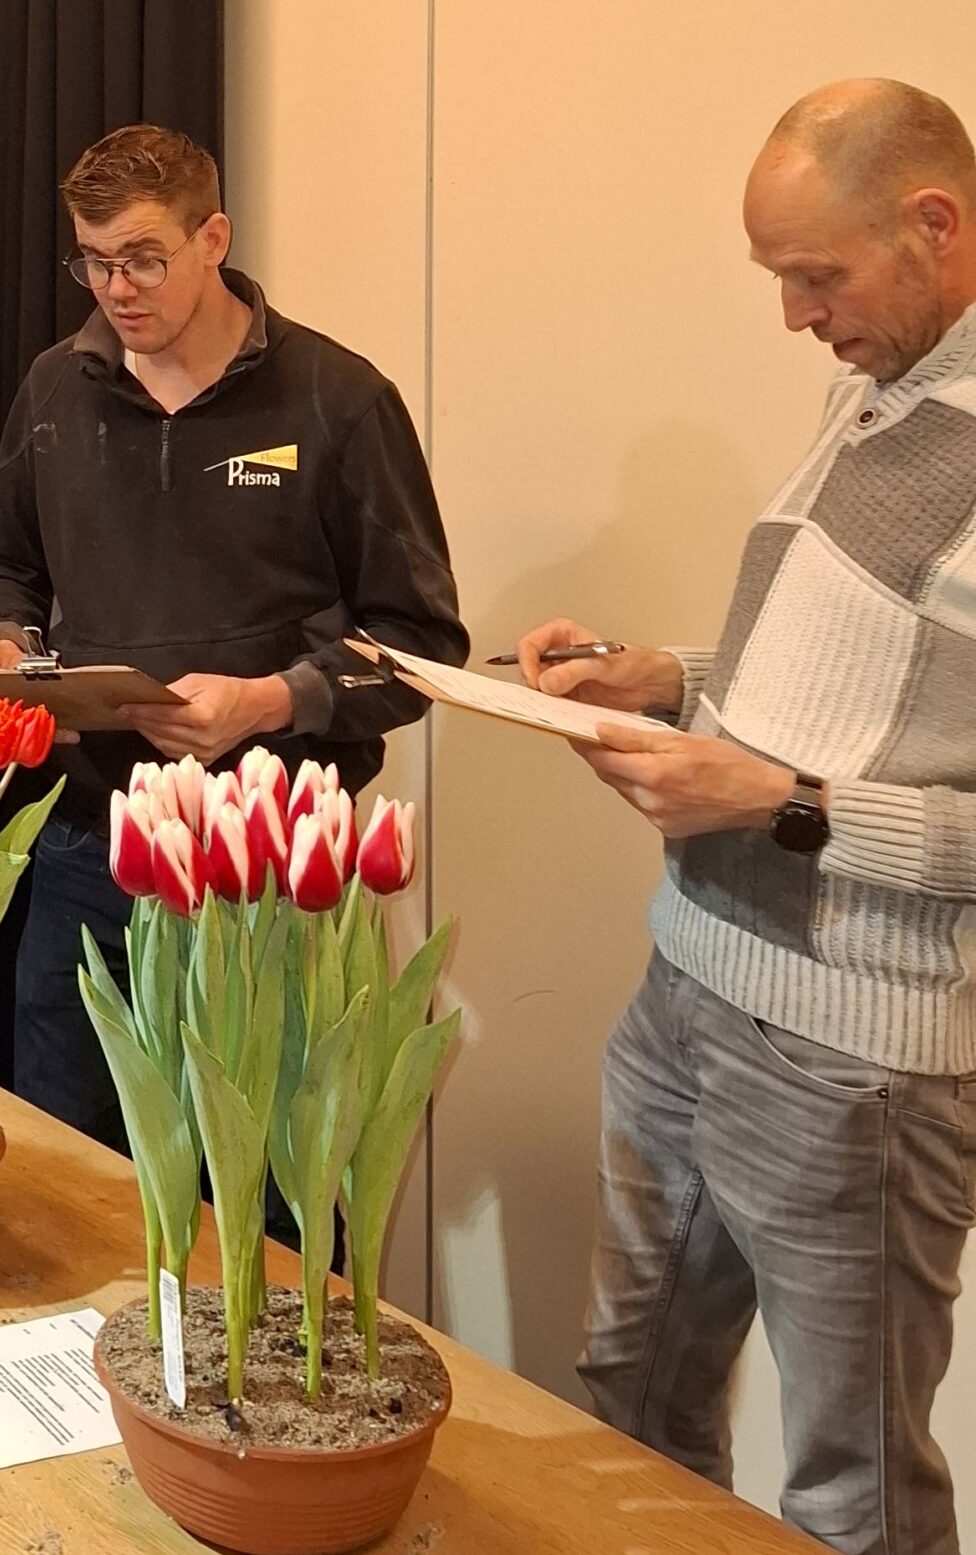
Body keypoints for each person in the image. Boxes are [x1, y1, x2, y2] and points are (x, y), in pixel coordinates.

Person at [520, 79, 976, 1555]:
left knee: (855, 1493)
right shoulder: (882, 384)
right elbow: (852, 686)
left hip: (855, 1066)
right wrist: (673, 676)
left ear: (936, 225)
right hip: (693, 990)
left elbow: (831, 781)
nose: (795, 316)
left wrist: (778, 802)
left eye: (816, 277)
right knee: (625, 1404)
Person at [0, 124, 466, 1144]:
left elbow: (419, 647)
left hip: (269, 859)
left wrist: (268, 702)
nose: (117, 288)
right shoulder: (57, 387)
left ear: (213, 237)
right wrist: (12, 647)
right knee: (70, 1172)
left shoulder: (338, 399)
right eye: (94, 261)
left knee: (270, 1199)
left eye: (143, 257)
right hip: (85, 843)